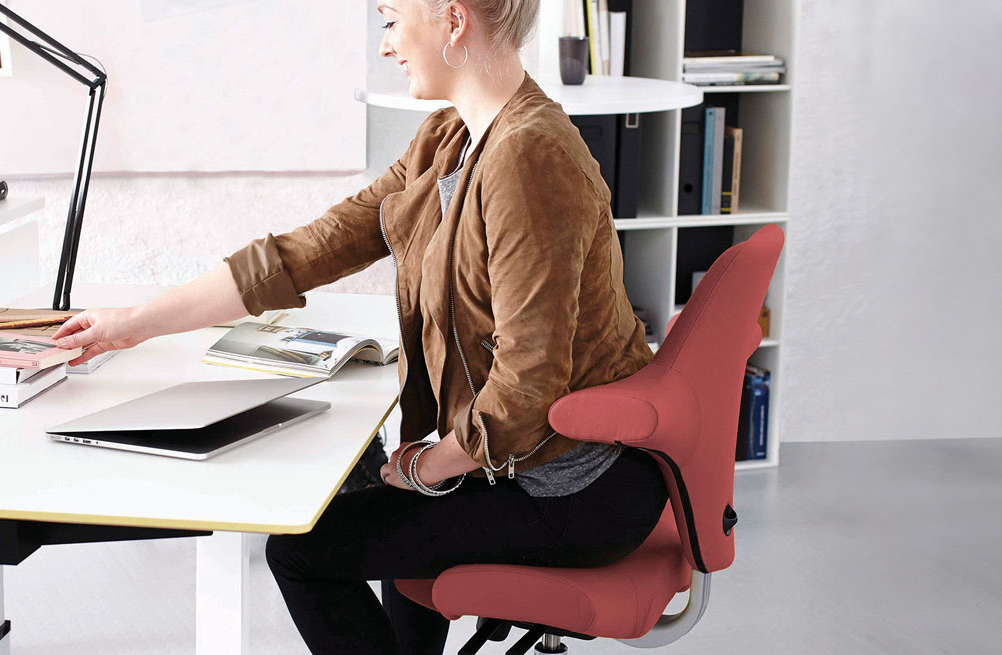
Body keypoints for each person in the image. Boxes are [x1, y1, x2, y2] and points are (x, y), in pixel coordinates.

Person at [52, 1, 668, 652]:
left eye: (391, 20)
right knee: (381, 504)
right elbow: (305, 252)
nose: (385, 45)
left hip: (570, 487)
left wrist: (428, 465)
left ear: (453, 21)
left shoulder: (528, 156)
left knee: (301, 550)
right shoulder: (447, 139)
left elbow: (527, 389)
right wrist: (136, 323)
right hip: (519, 459)